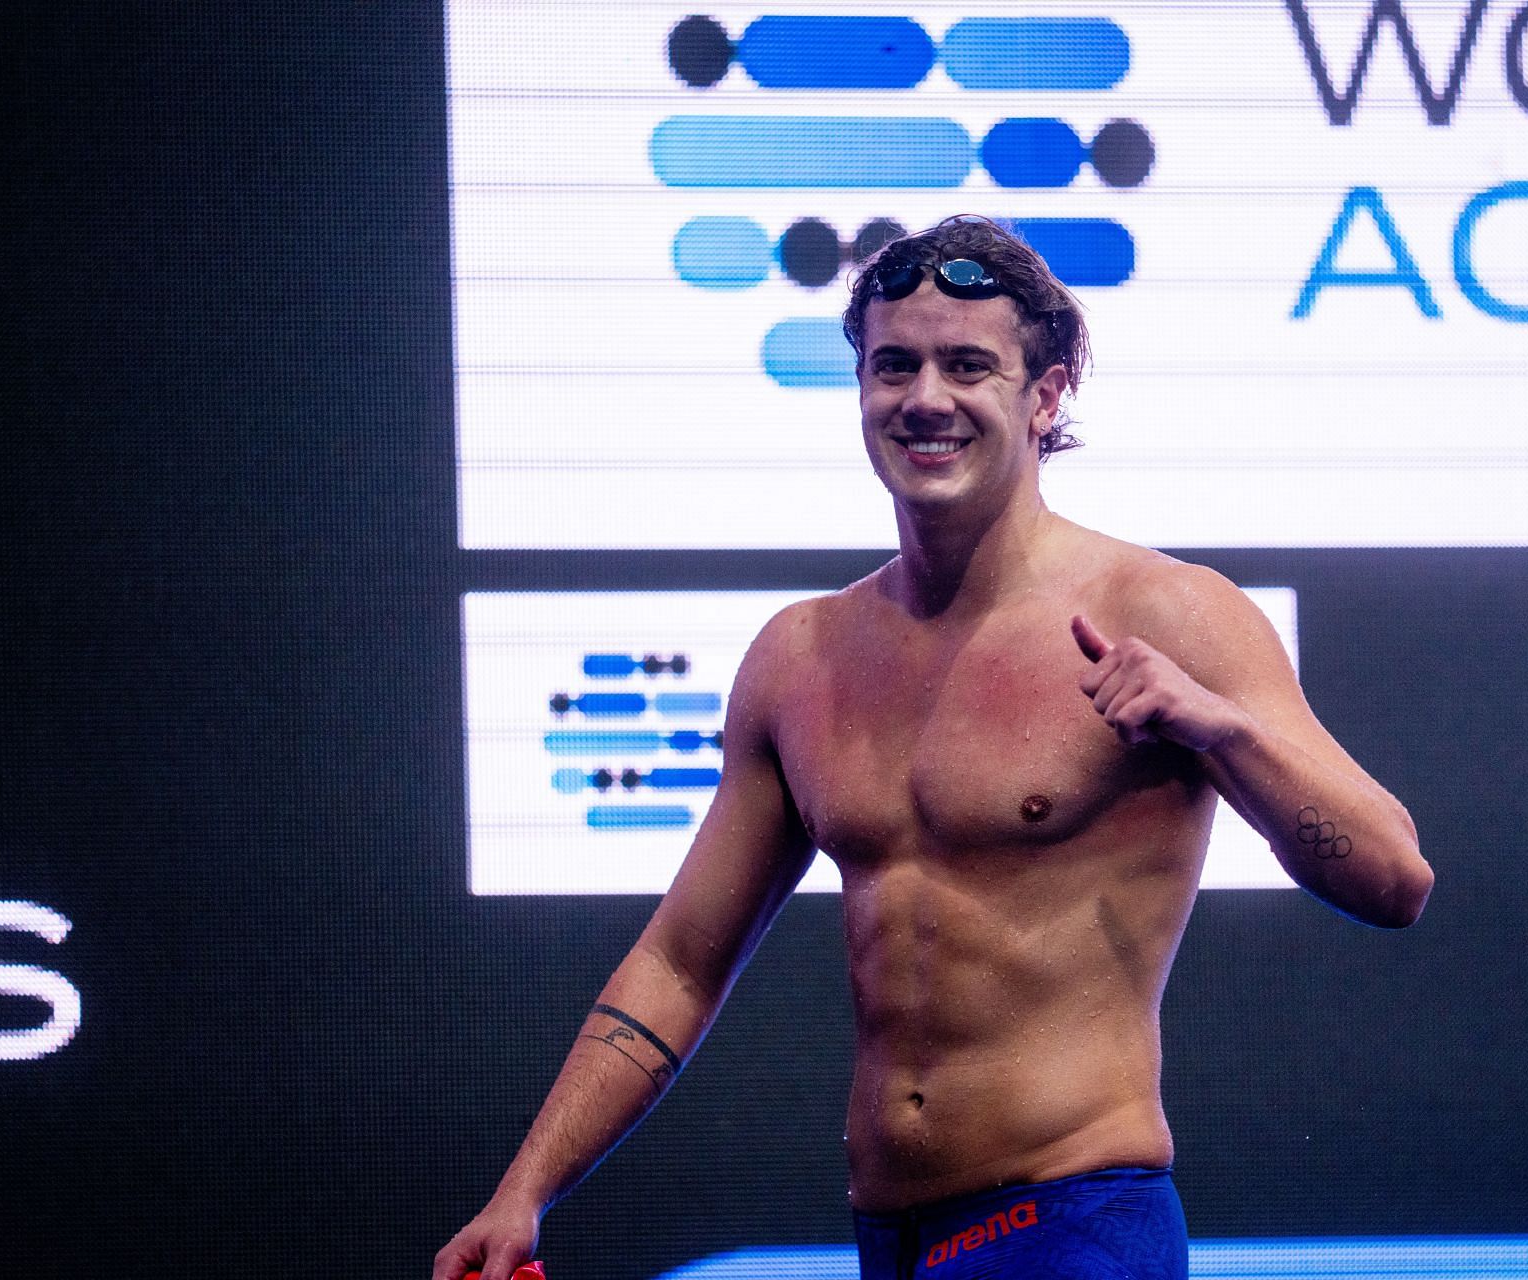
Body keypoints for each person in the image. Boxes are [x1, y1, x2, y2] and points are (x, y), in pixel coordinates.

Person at [433, 216, 1433, 1280]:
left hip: (1075, 1220)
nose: (925, 398)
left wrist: (1216, 726)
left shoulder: (1168, 612)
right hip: (892, 1236)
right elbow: (682, 958)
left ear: (1045, 397)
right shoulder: (801, 657)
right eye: (894, 364)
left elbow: (1394, 877)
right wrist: (523, 1191)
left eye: (969, 366)